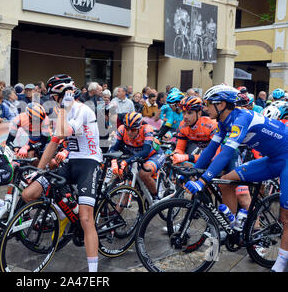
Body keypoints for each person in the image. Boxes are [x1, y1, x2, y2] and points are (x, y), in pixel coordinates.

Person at [182, 85, 288, 272]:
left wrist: (202, 181)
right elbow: (211, 150)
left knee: (286, 217)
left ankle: (280, 264)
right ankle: (232, 226)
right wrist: (194, 171)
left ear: (221, 104)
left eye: (208, 104)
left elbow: (226, 153)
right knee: (226, 181)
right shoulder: (224, 122)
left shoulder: (242, 117)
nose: (205, 108)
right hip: (272, 159)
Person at [22, 74, 102, 272]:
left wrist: (65, 108)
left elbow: (64, 131)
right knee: (28, 193)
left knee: (85, 219)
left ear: (64, 94)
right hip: (71, 161)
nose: (53, 99)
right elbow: (54, 142)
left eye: (54, 95)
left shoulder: (83, 110)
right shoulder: (63, 111)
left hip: (89, 163)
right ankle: (62, 212)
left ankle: (93, 272)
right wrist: (38, 171)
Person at [109, 112, 165, 202]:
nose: (129, 132)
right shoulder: (121, 129)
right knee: (129, 180)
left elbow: (145, 152)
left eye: (133, 130)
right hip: (136, 156)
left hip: (153, 155)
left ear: (139, 127)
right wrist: (113, 161)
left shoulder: (147, 129)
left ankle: (155, 198)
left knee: (144, 174)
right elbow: (113, 149)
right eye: (127, 128)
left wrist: (126, 161)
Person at [172, 96, 217, 165]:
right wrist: (176, 156)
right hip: (199, 148)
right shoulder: (182, 125)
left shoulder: (211, 125)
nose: (185, 117)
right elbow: (179, 149)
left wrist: (188, 157)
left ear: (199, 114)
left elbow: (214, 157)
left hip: (220, 152)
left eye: (189, 113)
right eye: (184, 112)